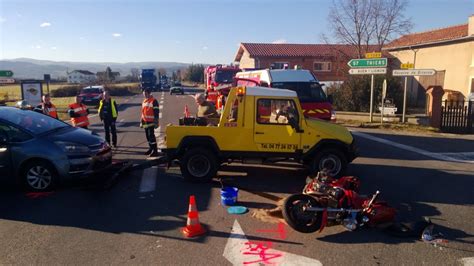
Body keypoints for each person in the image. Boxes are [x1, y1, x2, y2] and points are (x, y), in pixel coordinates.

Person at [141, 89, 159, 157]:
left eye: (145, 94)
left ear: (149, 93)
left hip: (151, 122)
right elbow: (143, 112)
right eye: (144, 94)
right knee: (147, 137)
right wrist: (141, 121)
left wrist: (156, 122)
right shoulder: (144, 101)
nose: (145, 95)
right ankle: (150, 148)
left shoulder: (154, 101)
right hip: (145, 121)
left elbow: (156, 112)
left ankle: (155, 151)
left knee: (151, 136)